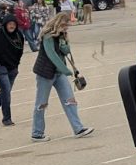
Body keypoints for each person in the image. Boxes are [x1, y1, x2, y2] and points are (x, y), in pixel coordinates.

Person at [32, 13, 94, 141]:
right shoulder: (48, 36)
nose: (67, 28)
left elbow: (66, 52)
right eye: (65, 25)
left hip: (58, 73)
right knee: (41, 103)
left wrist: (64, 41)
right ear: (59, 23)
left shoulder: (61, 35)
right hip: (45, 73)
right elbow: (52, 56)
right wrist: (67, 71)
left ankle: (78, 128)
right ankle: (37, 133)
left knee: (70, 100)